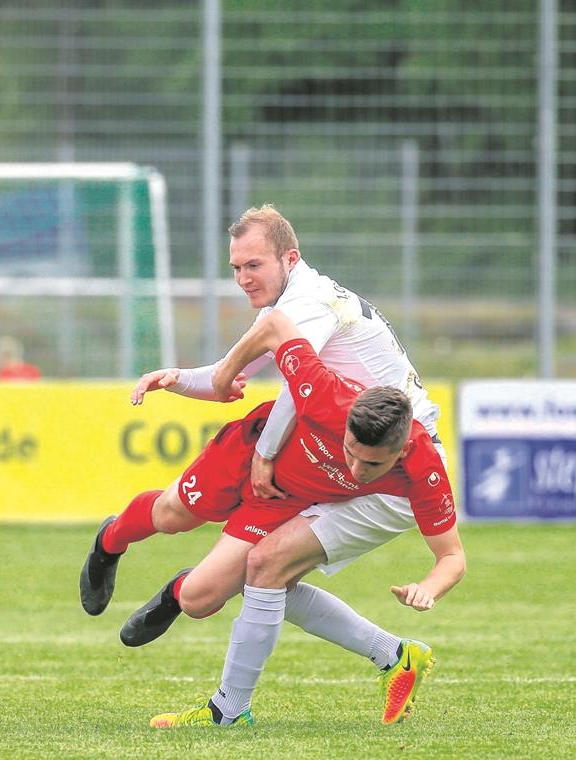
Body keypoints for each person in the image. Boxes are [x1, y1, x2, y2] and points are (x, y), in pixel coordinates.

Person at [79, 204, 452, 721]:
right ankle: (394, 655)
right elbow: (237, 373)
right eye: (235, 268)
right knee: (194, 530)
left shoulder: (309, 306)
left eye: (252, 265)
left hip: (384, 466)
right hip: (327, 447)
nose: (242, 278)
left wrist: (267, 455)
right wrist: (178, 378)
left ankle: (229, 708)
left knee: (252, 572)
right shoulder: (293, 305)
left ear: (289, 259)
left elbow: (299, 393)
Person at [135, 310, 465, 729]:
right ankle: (397, 656)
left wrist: (428, 589)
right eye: (351, 451)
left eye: (372, 462)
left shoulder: (423, 470)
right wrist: (221, 378)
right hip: (332, 480)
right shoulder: (323, 394)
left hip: (387, 500)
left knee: (265, 564)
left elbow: (452, 556)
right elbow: (274, 326)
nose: (357, 468)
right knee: (254, 583)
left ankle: (228, 711)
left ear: (399, 453)